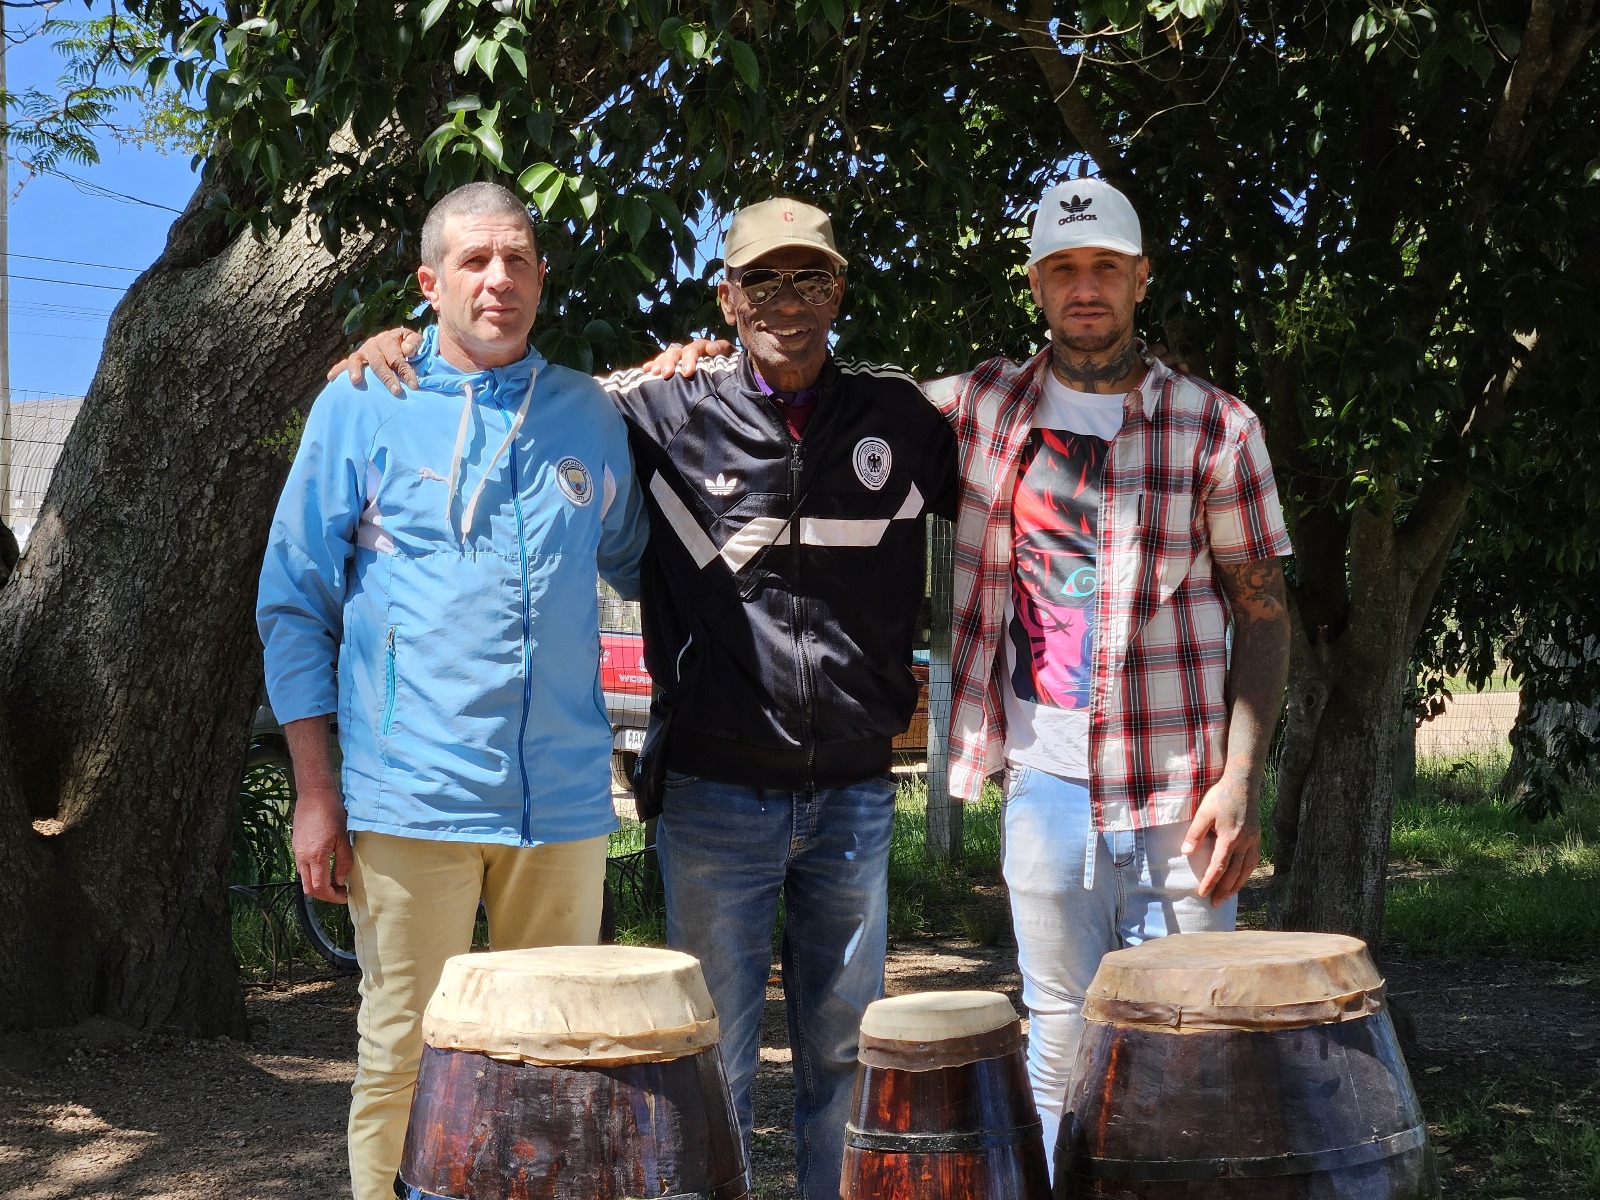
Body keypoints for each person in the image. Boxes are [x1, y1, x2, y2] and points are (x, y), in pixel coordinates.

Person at [653, 178, 1293, 1167]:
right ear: (1036, 284)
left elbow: (1264, 611)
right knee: (1055, 1042)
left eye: (1106, 268)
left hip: (1180, 794)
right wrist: (705, 356)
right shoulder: (979, 406)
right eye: (1064, 269)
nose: (1086, 288)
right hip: (1044, 786)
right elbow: (804, 383)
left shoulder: (1216, 427)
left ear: (1141, 278)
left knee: (1190, 1048)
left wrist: (1241, 779)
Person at [334, 197, 959, 1200]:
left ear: (839, 289)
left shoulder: (904, 418)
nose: (787, 300)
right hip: (714, 794)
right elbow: (505, 379)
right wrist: (397, 344)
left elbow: (1017, 426)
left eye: (809, 277)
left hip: (853, 797)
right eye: (761, 280)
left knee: (848, 1055)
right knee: (703, 1062)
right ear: (727, 295)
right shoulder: (654, 407)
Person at [257, 181, 649, 1200]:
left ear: (543, 279)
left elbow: (636, 554)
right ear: (429, 283)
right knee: (404, 1052)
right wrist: (315, 791)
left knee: (555, 1057)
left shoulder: (589, 414)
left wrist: (689, 374)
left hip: (561, 803)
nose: (498, 279)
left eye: (517, 259)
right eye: (474, 260)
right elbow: (293, 602)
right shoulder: (363, 402)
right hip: (411, 799)